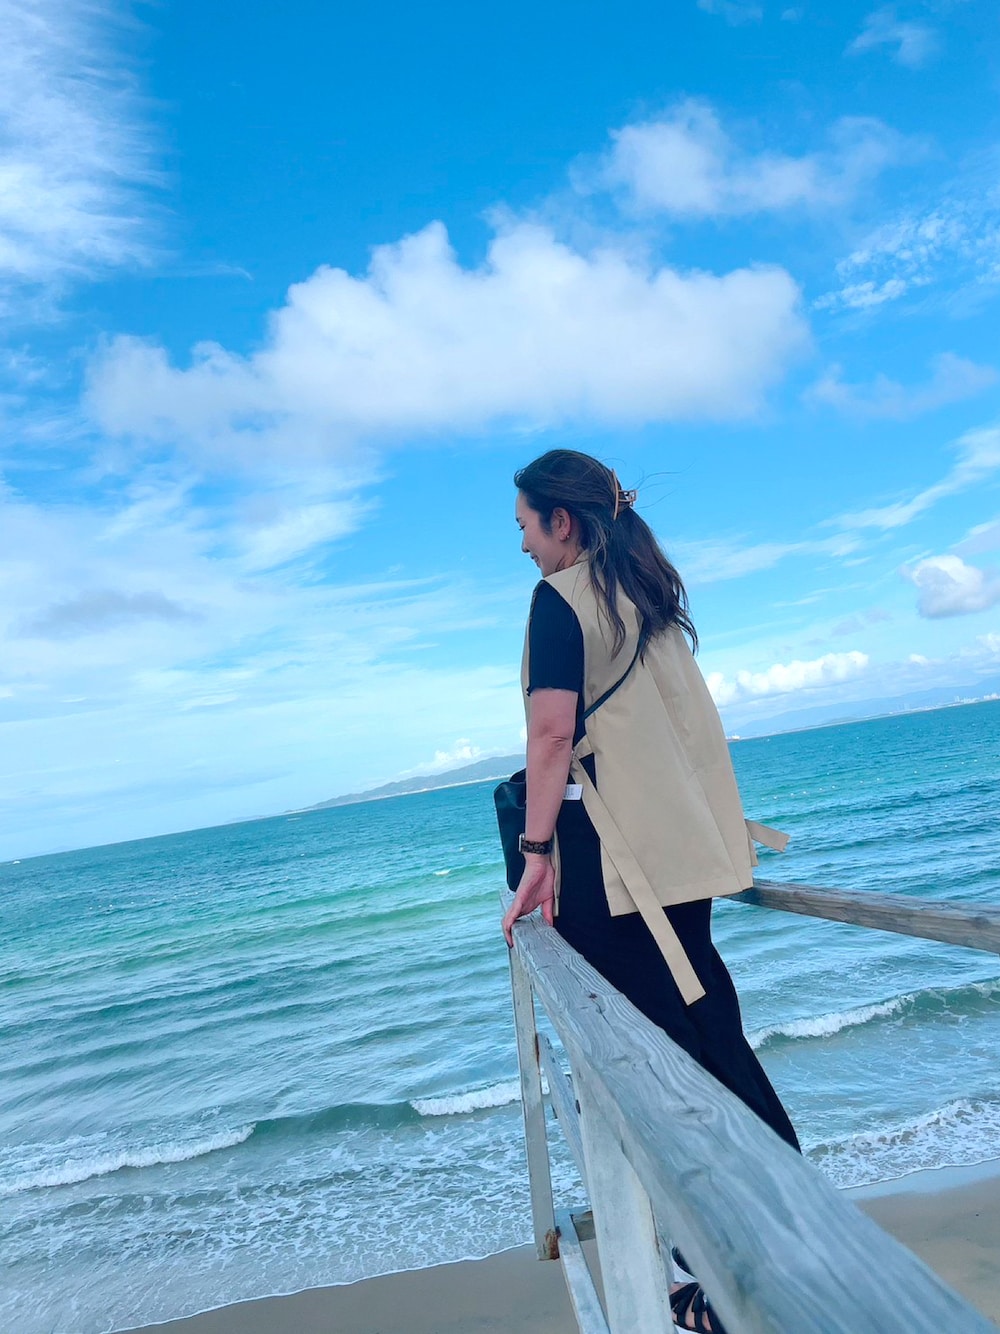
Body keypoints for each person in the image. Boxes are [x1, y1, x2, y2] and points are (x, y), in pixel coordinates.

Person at [500, 449, 799, 1334]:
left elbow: (551, 736)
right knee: (709, 1030)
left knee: (658, 1065)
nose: (523, 546)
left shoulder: (560, 600)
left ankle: (732, 1265)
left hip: (617, 865)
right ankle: (767, 1230)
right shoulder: (646, 594)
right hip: (679, 855)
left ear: (561, 521)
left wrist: (535, 852)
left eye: (525, 526)